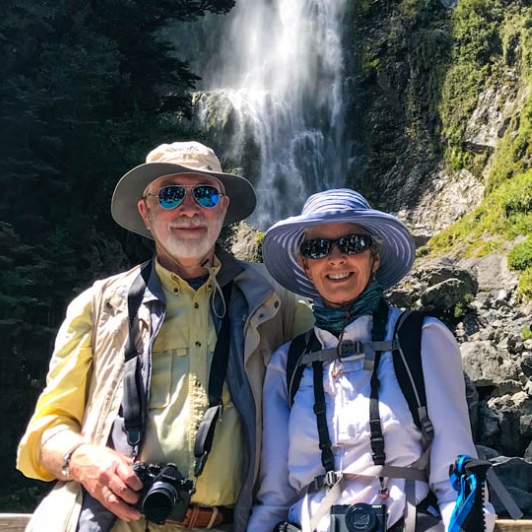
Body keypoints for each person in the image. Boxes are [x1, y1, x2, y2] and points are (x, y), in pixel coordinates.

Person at [16, 141, 314, 532]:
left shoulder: (280, 305)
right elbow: (44, 435)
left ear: (222, 208)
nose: (189, 209)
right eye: (171, 194)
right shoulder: (98, 306)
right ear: (146, 211)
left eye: (204, 194)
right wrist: (82, 458)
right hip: (118, 524)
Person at [248, 189, 496, 531]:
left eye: (352, 244)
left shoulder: (421, 339)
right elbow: (275, 495)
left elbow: (454, 471)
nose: (335, 259)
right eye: (318, 249)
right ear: (305, 265)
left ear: (374, 257)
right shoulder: (287, 363)